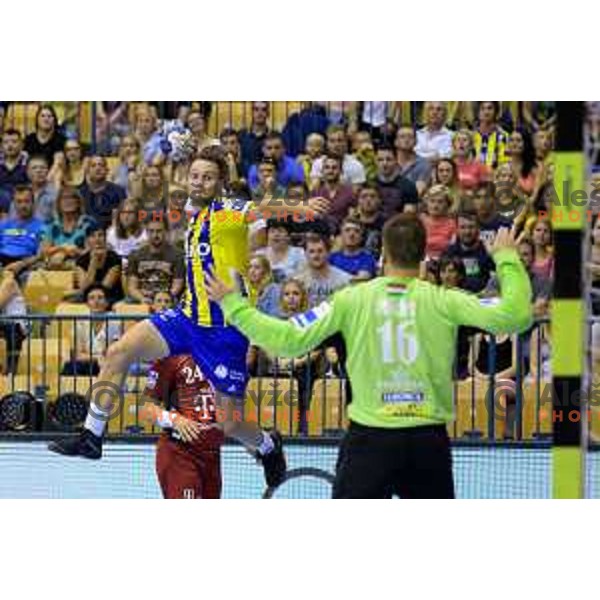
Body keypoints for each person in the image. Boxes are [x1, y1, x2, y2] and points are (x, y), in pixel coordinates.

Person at [48, 146, 329, 488]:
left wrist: (300, 208)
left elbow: (262, 207)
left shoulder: (228, 210)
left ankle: (268, 446)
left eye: (207, 177)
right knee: (118, 352)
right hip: (185, 320)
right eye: (195, 176)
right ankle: (92, 435)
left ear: (220, 182)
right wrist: (182, 152)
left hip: (224, 331)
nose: (198, 182)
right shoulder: (194, 212)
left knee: (230, 423)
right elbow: (185, 177)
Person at [204, 215, 533, 498]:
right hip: (427, 442)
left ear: (383, 255)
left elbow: (287, 340)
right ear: (423, 256)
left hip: (369, 441)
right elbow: (517, 315)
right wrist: (506, 258)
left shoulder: (350, 300)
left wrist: (233, 305)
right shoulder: (447, 300)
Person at [139, 354, 224, 499]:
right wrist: (175, 420)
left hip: (212, 454)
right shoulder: (172, 356)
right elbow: (146, 408)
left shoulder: (222, 355)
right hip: (180, 453)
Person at [62, 284, 121, 376]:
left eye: (100, 298)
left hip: (107, 364)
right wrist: (97, 358)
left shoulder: (114, 321)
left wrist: (100, 359)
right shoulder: (79, 322)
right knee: (70, 367)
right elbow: (77, 355)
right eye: (92, 298)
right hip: (87, 363)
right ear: (87, 303)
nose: (96, 301)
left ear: (107, 303)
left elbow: (112, 352)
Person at [125, 217, 185, 306]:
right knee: (118, 307)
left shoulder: (178, 255)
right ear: (146, 232)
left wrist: (162, 300)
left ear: (166, 232)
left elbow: (177, 286)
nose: (155, 235)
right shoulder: (135, 255)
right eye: (151, 231)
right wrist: (142, 299)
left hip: (167, 301)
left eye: (159, 231)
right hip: (143, 301)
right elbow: (132, 287)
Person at [41, 187, 97, 270]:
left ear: (78, 202)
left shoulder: (88, 223)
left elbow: (92, 252)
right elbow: (44, 252)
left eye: (72, 198)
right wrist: (63, 248)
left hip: (80, 266)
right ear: (58, 204)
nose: (68, 201)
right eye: (64, 198)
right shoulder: (53, 225)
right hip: (55, 265)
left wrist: (76, 251)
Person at [442, 212, 495, 293]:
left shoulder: (487, 251)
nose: (467, 232)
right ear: (457, 229)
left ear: (478, 228)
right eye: (462, 227)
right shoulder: (449, 253)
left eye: (471, 227)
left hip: (483, 299)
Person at [0, 185, 44, 275]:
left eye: (26, 201)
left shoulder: (42, 226)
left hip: (24, 262)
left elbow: (40, 255)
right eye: (19, 202)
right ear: (14, 204)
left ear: (33, 203)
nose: (23, 206)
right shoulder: (4, 224)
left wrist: (22, 264)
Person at [74, 226, 124, 304]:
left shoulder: (114, 258)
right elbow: (84, 288)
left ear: (105, 239)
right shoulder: (81, 260)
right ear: (87, 240)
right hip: (88, 299)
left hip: (111, 298)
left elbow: (105, 288)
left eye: (100, 235)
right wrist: (93, 262)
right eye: (92, 236)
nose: (97, 239)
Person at [78, 156, 127, 229]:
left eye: (101, 165)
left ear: (106, 170)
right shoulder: (81, 193)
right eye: (93, 165)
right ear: (88, 171)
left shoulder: (118, 191)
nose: (98, 168)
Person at [374, 145, 419, 220]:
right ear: (375, 162)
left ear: (396, 160)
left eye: (388, 159)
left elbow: (409, 217)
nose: (384, 163)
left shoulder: (408, 186)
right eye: (380, 160)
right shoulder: (370, 185)